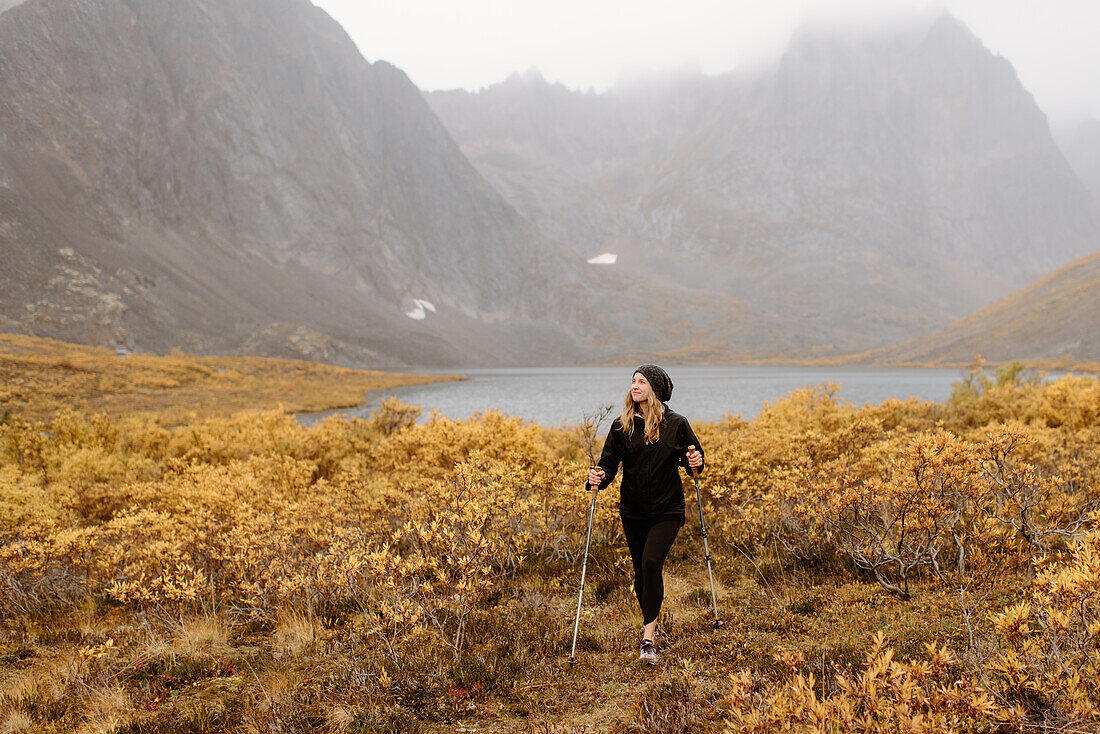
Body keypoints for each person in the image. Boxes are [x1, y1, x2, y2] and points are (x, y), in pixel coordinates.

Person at [588, 364, 704, 664]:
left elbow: (694, 462)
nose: (634, 386)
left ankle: (648, 639)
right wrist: (599, 476)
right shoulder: (621, 426)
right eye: (633, 381)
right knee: (641, 571)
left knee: (651, 563)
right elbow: (609, 464)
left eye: (641, 381)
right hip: (633, 510)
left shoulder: (676, 423)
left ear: (655, 388)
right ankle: (650, 621)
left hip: (668, 508)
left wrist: (695, 460)